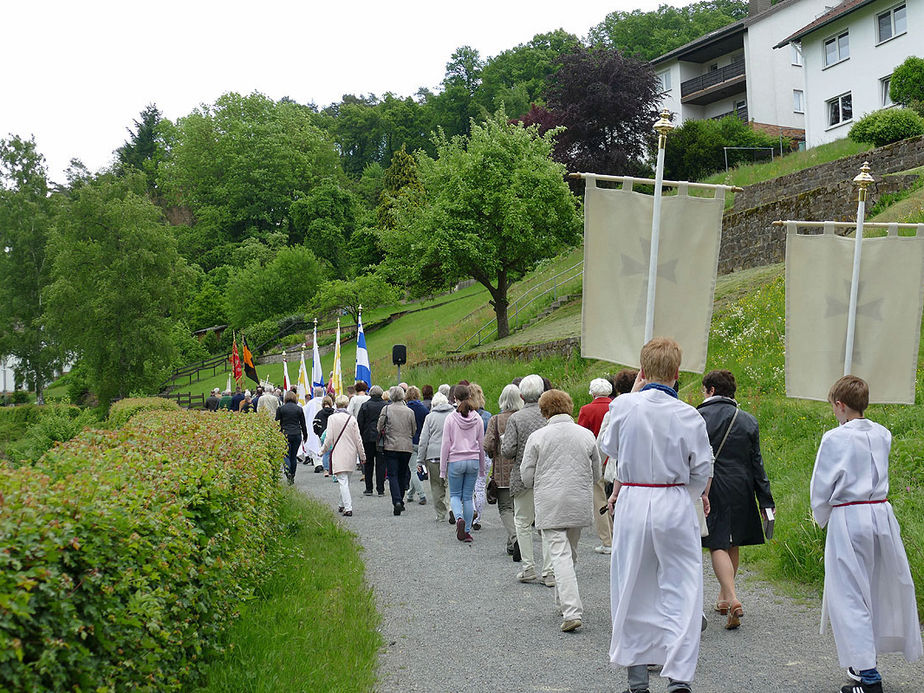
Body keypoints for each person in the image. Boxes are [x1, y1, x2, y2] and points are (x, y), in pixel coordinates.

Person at [601, 338, 713, 693]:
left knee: (632, 585)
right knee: (682, 588)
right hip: (674, 499)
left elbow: (608, 446)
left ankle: (637, 679)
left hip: (634, 498)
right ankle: (679, 676)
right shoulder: (689, 414)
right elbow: (703, 468)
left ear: (643, 371)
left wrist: (630, 396)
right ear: (678, 374)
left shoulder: (624, 407)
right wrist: (684, 496)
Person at [810, 375, 922, 693]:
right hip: (881, 514)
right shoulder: (882, 433)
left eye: (834, 407)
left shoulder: (836, 438)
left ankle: (868, 675)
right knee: (876, 586)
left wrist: (823, 514)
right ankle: (864, 664)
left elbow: (822, 485)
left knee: (849, 594)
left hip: (849, 514)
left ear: (841, 405)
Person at [697, 369, 775, 630]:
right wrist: (765, 501)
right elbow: (757, 464)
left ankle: (731, 598)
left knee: (717, 542)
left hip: (712, 485)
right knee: (733, 541)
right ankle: (723, 597)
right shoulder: (748, 420)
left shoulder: (696, 417)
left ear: (711, 390)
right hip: (742, 486)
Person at [521, 389, 601, 633]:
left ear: (544, 411)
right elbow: (597, 473)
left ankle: (571, 610)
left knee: (560, 555)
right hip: (578, 500)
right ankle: (562, 600)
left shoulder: (538, 437)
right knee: (571, 553)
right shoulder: (586, 435)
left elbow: (526, 476)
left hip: (550, 502)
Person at [501, 374, 554, 586]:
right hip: (548, 475)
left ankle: (528, 567)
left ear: (522, 395)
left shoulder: (516, 418)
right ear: (542, 392)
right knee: (548, 524)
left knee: (522, 521)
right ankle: (549, 571)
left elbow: (508, 450)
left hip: (524, 476)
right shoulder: (549, 416)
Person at [439, 384, 486, 542]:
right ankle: (466, 531)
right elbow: (481, 444)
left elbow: (445, 444)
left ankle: (459, 518)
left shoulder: (451, 418)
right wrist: (481, 468)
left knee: (455, 495)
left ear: (454, 399)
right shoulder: (477, 418)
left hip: (456, 460)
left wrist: (442, 469)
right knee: (467, 497)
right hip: (472, 460)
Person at [483, 383, 522, 557]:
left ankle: (515, 539)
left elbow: (488, 444)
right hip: (522, 469)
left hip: (502, 470)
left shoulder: (496, 420)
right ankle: (512, 544)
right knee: (518, 509)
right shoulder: (523, 417)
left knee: (505, 508)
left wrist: (493, 454)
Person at [577, 377, 614, 555]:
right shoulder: (616, 406)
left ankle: (607, 540)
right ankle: (616, 535)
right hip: (615, 458)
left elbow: (582, 435)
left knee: (599, 499)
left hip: (597, 458)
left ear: (592, 393)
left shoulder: (586, 410)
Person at [320, 394, 366, 518]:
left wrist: (322, 451)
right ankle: (342, 504)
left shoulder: (332, 419)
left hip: (338, 453)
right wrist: (362, 455)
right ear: (346, 405)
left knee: (343, 481)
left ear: (336, 404)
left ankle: (348, 507)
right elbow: (358, 440)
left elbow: (328, 438)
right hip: (351, 453)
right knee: (346, 481)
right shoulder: (352, 419)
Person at [378, 386, 416, 515]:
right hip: (406, 446)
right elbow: (413, 429)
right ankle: (401, 499)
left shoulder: (387, 409)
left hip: (391, 446)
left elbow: (379, 426)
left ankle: (397, 501)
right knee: (402, 473)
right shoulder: (409, 411)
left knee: (392, 474)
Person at [416, 391, 454, 522]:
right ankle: (451, 508)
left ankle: (441, 514)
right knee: (450, 483)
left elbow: (423, 440)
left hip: (433, 456)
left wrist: (420, 460)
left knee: (436, 485)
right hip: (451, 455)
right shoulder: (453, 414)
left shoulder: (430, 417)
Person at [357, 385, 388, 496]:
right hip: (381, 437)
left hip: (368, 437)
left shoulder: (365, 406)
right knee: (381, 463)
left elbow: (360, 422)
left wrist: (360, 435)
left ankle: (369, 488)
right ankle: (380, 489)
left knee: (368, 463)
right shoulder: (386, 406)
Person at [469, 383, 491, 529]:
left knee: (468, 488)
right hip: (484, 454)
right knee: (480, 486)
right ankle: (478, 519)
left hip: (469, 453)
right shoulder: (488, 416)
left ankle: (472, 512)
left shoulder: (465, 415)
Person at [275, 390, 309, 485]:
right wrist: (305, 435)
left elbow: (277, 423)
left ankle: (287, 470)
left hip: (284, 434)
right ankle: (292, 474)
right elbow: (303, 424)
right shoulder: (299, 409)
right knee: (293, 456)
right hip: (296, 434)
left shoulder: (281, 409)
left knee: (286, 455)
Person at [404, 386, 429, 506]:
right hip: (422, 442)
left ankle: (422, 494)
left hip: (410, 441)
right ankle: (409, 494)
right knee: (416, 468)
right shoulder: (423, 409)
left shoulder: (406, 409)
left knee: (413, 470)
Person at [301, 386, 325, 472]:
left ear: (314, 394)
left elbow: (303, 412)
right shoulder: (326, 401)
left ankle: (318, 464)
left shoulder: (310, 403)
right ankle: (324, 463)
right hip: (325, 427)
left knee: (315, 444)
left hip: (314, 427)